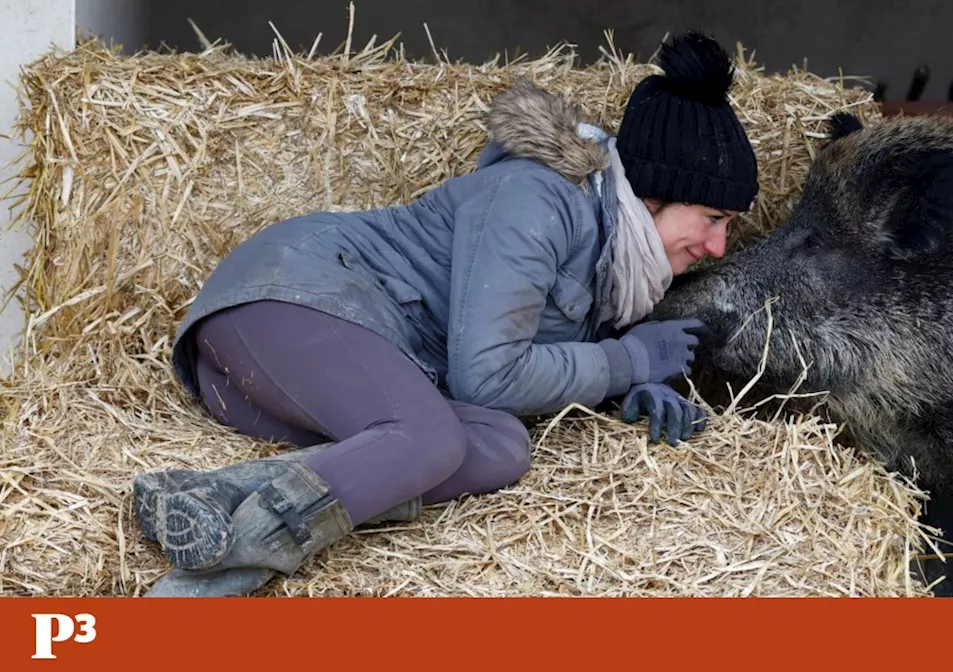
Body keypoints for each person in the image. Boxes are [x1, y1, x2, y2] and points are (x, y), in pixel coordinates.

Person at [133, 29, 759, 597]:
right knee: (427, 439)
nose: (717, 248)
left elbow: (527, 365)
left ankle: (221, 494)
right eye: (713, 219)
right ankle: (201, 584)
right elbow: (488, 376)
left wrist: (632, 381)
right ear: (652, 195)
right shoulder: (537, 198)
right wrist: (623, 361)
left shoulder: (611, 249)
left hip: (280, 384)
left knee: (501, 446)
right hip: (290, 300)